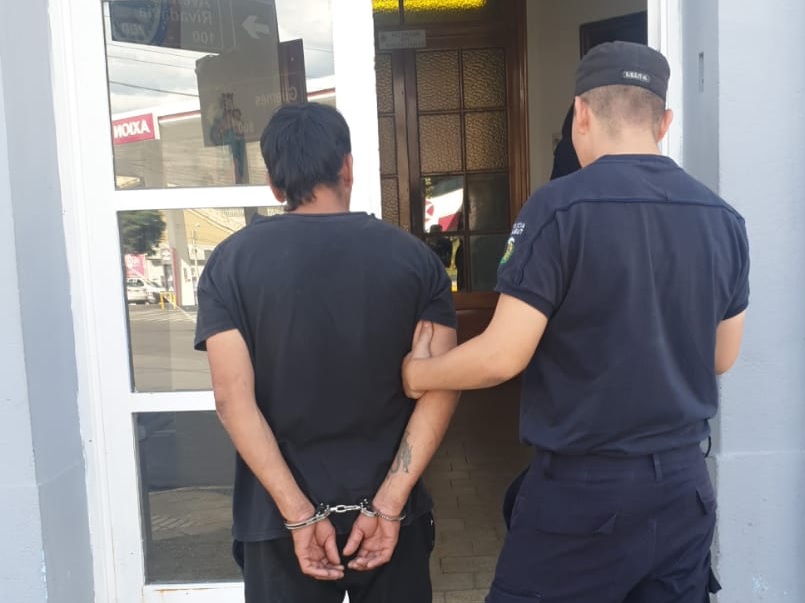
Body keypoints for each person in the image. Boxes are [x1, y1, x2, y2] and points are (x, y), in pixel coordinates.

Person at [403, 41, 749, 603]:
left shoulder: (559, 210)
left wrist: (419, 373)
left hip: (586, 495)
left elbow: (501, 357)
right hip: (683, 489)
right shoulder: (723, 219)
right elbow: (721, 356)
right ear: (664, 122)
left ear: (580, 115)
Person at [194, 103, 460, 603]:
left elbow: (232, 401)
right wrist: (389, 503)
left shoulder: (230, 264)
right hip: (391, 515)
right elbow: (442, 385)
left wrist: (299, 514)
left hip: (277, 520)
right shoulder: (416, 260)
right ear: (348, 167)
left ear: (275, 184)